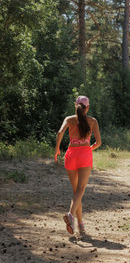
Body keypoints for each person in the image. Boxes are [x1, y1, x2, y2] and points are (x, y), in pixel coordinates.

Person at [54, 95, 101, 235]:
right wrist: (89, 148)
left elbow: (60, 132)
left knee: (76, 192)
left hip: (71, 155)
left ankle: (80, 225)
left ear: (76, 106)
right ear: (88, 107)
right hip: (85, 155)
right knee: (80, 190)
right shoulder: (93, 121)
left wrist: (57, 149)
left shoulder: (69, 119)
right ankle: (70, 215)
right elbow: (98, 143)